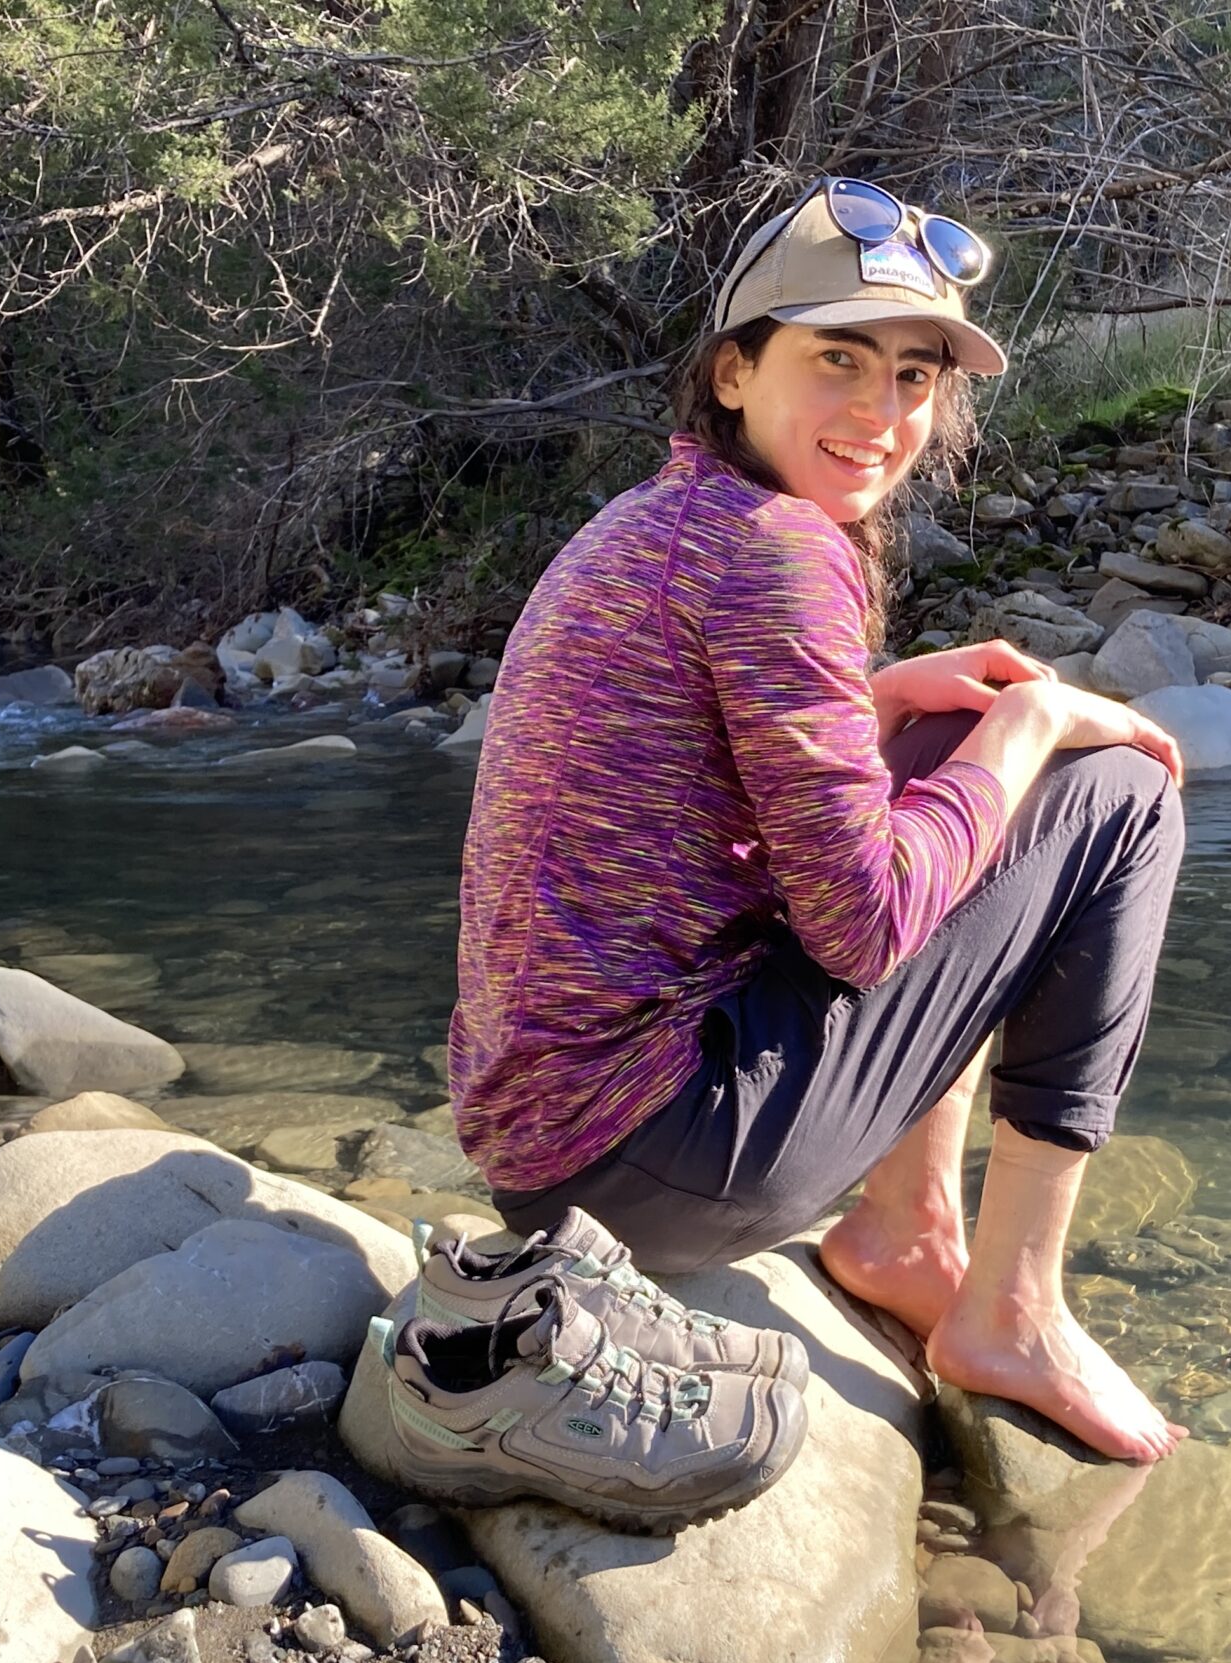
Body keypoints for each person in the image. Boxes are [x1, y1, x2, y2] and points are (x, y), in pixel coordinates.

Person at [447, 179, 1191, 1462]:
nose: (882, 410)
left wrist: (890, 696)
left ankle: (909, 1236)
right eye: (836, 358)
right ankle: (1009, 1311)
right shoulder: (779, 552)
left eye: (913, 375)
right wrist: (1029, 728)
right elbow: (864, 930)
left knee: (943, 752)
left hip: (550, 1144)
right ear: (732, 371)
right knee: (1116, 796)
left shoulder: (662, 520)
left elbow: (712, 764)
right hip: (651, 1161)